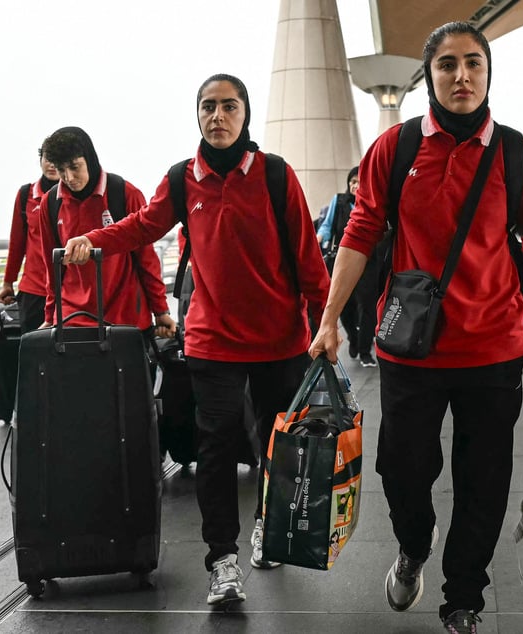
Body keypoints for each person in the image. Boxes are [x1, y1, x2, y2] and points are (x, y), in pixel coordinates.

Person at [309, 22, 523, 633]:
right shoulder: (397, 148)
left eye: (473, 64)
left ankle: (463, 595)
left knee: (483, 484)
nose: (461, 76)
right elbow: (359, 232)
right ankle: (414, 546)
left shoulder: (516, 153)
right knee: (401, 472)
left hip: (493, 348)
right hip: (413, 348)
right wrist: (330, 320)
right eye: (447, 66)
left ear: (488, 74)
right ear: (429, 76)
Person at [60, 74, 330, 606]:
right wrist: (94, 240)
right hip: (212, 341)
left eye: (229, 106)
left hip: (280, 340)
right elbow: (142, 226)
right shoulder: (184, 179)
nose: (218, 116)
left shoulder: (275, 174)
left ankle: (266, 530)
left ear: (245, 114)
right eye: (208, 107)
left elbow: (307, 258)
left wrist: (326, 325)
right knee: (216, 450)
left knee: (279, 446)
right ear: (198, 116)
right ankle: (222, 561)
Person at [37, 126, 176, 341]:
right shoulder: (51, 203)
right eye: (61, 170)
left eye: (75, 167)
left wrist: (160, 310)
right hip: (73, 317)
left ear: (90, 159)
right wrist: (50, 315)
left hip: (125, 315)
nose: (69, 177)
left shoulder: (124, 193)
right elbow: (51, 263)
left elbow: (146, 259)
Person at [316, 167, 378, 366]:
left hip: (369, 263)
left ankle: (365, 350)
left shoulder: (373, 203)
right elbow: (327, 225)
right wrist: (318, 239)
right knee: (346, 307)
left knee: (367, 307)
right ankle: (353, 336)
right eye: (352, 181)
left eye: (359, 182)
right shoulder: (340, 201)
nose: (354, 186)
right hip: (342, 262)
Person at [0, 144, 59, 333]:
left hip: (70, 291)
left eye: (57, 160)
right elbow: (17, 243)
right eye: (47, 159)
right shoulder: (26, 195)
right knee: (32, 351)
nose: (52, 165)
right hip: (34, 289)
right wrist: (8, 282)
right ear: (40, 160)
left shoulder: (76, 196)